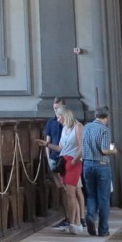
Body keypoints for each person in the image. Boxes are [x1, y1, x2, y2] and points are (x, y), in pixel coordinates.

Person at [80, 106, 116, 236]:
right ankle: (103, 229)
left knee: (91, 195)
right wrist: (114, 150)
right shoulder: (104, 129)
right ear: (107, 116)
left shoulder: (86, 127)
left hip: (87, 164)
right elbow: (105, 150)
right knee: (104, 198)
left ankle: (90, 216)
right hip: (101, 165)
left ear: (96, 115)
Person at [37, 97, 71, 228]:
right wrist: (49, 159)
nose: (56, 111)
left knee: (71, 189)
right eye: (54, 108)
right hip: (54, 157)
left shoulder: (68, 122)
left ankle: (76, 218)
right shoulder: (51, 122)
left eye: (58, 108)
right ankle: (67, 216)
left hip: (67, 158)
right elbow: (48, 141)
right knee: (61, 188)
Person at [56, 106, 85, 234]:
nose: (58, 119)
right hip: (64, 161)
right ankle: (74, 223)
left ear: (65, 115)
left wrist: (74, 161)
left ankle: (75, 223)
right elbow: (61, 147)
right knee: (68, 194)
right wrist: (46, 145)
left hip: (74, 162)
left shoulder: (78, 126)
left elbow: (82, 147)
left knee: (72, 193)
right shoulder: (64, 128)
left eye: (59, 117)